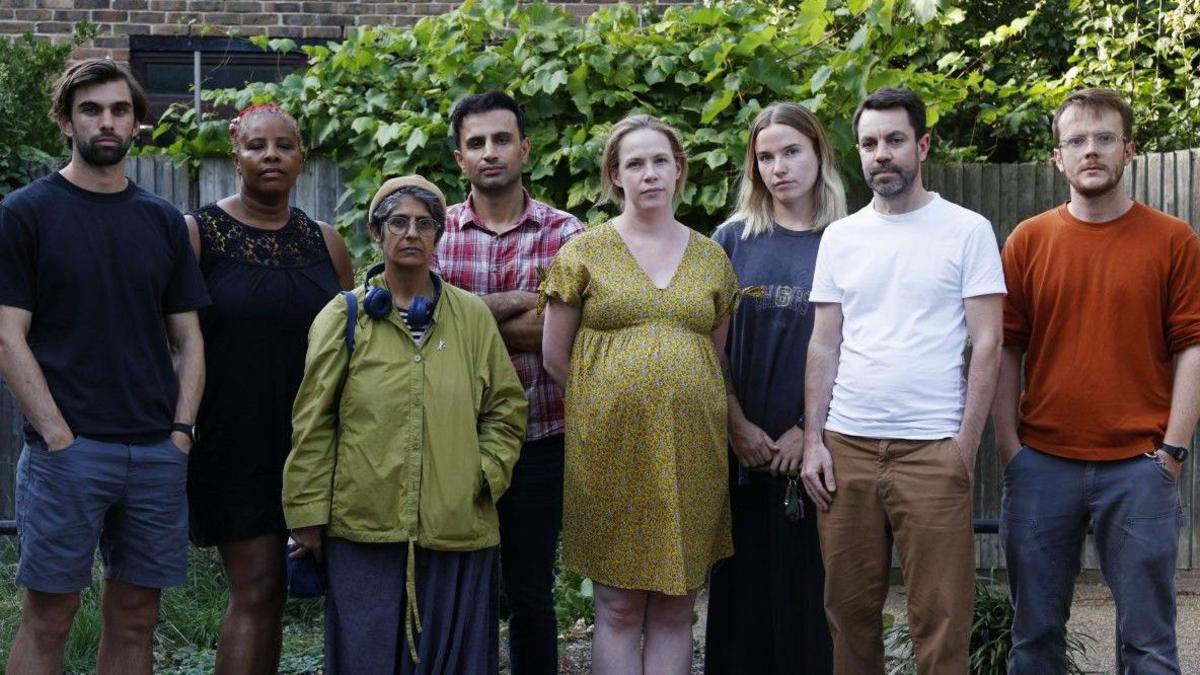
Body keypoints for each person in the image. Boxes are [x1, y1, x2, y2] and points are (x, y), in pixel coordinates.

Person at [0, 59, 209, 674]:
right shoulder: (24, 213)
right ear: (67, 122)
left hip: (155, 452)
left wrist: (181, 434)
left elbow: (190, 339)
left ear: (138, 123)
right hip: (68, 453)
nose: (107, 121)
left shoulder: (163, 221)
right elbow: (8, 335)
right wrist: (57, 436)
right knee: (48, 616)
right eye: (91, 110)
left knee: (137, 617)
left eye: (120, 109)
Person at [283, 175, 528, 674]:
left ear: (439, 234)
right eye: (398, 222)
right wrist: (306, 513)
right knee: (366, 656)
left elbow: (506, 408)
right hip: (363, 524)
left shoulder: (473, 317)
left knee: (453, 659)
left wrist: (483, 474)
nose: (411, 233)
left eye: (424, 223)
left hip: (457, 522)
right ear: (377, 233)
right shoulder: (344, 316)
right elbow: (312, 420)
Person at [992, 88, 1200, 674]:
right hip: (1042, 467)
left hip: (1139, 467)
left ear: (1128, 151)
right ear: (1058, 158)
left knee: (1151, 648)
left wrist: (1172, 453)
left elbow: (1193, 348)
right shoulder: (1028, 241)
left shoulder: (1173, 240)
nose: (1091, 151)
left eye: (1104, 138)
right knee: (1034, 641)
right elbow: (1006, 350)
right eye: (1076, 140)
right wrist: (1011, 450)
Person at [800, 87, 1006, 674]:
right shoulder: (841, 236)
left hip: (932, 450)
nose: (881, 154)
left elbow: (988, 342)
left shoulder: (966, 230)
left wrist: (963, 448)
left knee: (941, 622)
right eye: (869, 143)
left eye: (894, 140)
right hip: (847, 450)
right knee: (848, 615)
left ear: (921, 145)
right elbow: (824, 342)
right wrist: (814, 440)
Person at [541, 114, 740, 674]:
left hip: (692, 451)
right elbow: (557, 356)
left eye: (660, 161)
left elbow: (711, 354)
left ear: (679, 170)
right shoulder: (584, 253)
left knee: (677, 604)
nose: (649, 173)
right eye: (635, 163)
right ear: (615, 175)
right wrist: (610, 400)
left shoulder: (712, 258)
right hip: (610, 451)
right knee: (620, 604)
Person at [183, 103, 353, 674]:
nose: (271, 156)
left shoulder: (326, 242)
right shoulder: (199, 234)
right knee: (255, 587)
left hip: (313, 441)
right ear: (236, 154)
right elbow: (175, 340)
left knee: (277, 595)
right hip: (233, 439)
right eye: (258, 146)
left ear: (302, 157)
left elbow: (354, 344)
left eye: (284, 145)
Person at [435, 91, 585, 674]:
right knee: (461, 587)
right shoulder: (434, 229)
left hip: (541, 437)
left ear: (524, 147)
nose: (490, 152)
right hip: (454, 438)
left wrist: (466, 313)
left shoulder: (566, 232)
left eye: (502, 139)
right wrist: (522, 302)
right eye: (477, 143)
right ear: (459, 158)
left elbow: (563, 333)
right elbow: (427, 326)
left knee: (530, 593)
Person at [704, 102, 844, 675]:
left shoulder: (848, 238)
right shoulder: (731, 240)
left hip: (816, 456)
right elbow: (707, 347)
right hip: (740, 452)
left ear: (819, 154)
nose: (779, 167)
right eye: (765, 156)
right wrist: (736, 424)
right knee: (741, 607)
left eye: (791, 152)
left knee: (808, 606)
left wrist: (808, 432)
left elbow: (858, 348)